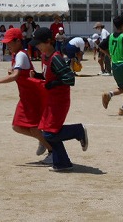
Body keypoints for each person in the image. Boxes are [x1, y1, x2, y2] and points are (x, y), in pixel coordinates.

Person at [0, 28, 53, 164]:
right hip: (25, 97)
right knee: (17, 126)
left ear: (18, 41)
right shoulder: (17, 54)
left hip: (32, 96)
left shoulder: (21, 54)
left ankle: (52, 151)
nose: (8, 45)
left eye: (10, 42)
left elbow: (16, 76)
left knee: (33, 127)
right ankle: (42, 140)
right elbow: (17, 72)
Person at [29, 27, 88, 172]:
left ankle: (78, 131)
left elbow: (69, 78)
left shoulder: (56, 58)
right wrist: (37, 76)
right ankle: (62, 162)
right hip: (50, 100)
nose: (37, 46)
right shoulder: (45, 57)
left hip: (59, 101)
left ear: (49, 42)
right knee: (47, 130)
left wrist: (52, 84)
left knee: (50, 133)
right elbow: (48, 76)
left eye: (39, 43)